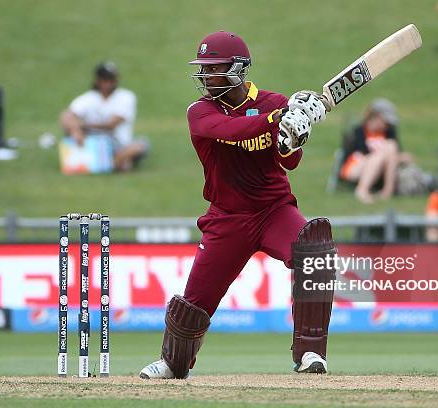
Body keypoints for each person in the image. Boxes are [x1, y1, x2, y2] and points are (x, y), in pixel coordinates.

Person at [139, 31, 337, 379]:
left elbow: (289, 162)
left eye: (213, 69)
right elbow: (230, 130)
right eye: (202, 69)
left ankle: (310, 354)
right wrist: (280, 118)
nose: (205, 76)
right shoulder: (200, 111)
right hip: (226, 218)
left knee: (314, 251)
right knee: (195, 303)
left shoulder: (274, 101)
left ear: (238, 69)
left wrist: (294, 134)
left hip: (274, 210)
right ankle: (174, 363)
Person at [60, 62, 149, 172]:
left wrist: (84, 125)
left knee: (141, 144)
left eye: (112, 79)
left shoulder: (126, 97)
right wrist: (75, 130)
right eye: (105, 80)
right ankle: (112, 163)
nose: (109, 83)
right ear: (98, 80)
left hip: (117, 142)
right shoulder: (88, 98)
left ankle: (112, 162)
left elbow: (112, 124)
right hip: (91, 141)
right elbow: (67, 115)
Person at [339, 99, 412, 204]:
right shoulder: (359, 131)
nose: (387, 126)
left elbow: (401, 155)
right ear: (375, 117)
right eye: (385, 122)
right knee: (379, 156)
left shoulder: (389, 133)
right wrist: (388, 156)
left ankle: (387, 191)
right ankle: (362, 190)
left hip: (379, 168)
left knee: (391, 146)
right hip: (355, 167)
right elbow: (360, 154)